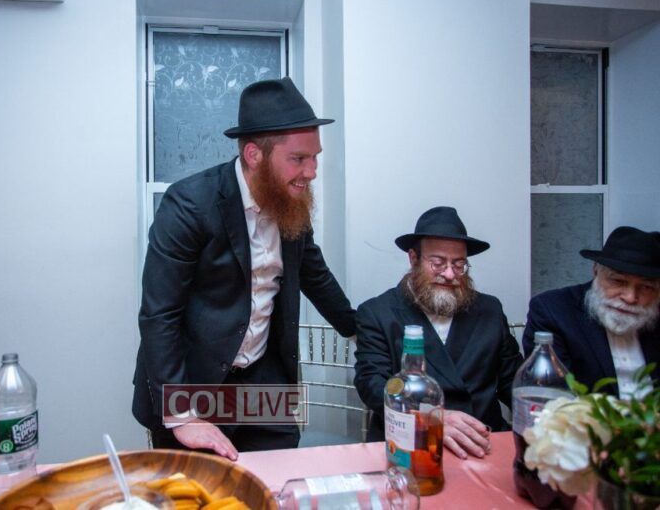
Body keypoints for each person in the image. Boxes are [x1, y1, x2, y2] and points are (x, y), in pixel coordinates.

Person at [132, 77, 356, 459]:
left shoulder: (290, 203)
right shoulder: (189, 205)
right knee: (202, 488)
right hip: (193, 385)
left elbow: (314, 274)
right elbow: (160, 314)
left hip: (264, 383)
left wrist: (363, 330)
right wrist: (181, 415)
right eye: (299, 159)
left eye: (315, 157)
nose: (312, 171)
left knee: (276, 481)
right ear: (254, 155)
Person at [354, 206, 523, 459]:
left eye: (459, 264)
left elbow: (513, 381)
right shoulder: (378, 313)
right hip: (410, 443)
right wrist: (430, 419)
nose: (450, 274)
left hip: (480, 442)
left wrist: (549, 418)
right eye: (438, 263)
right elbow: (372, 384)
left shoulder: (489, 309)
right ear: (413, 259)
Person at [524, 226, 660, 398]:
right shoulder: (553, 311)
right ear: (595, 271)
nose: (630, 297)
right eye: (618, 281)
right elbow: (554, 395)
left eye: (646, 287)